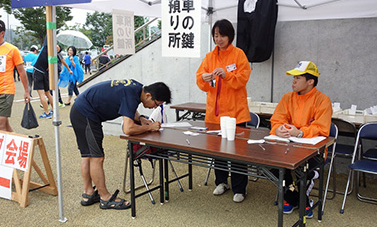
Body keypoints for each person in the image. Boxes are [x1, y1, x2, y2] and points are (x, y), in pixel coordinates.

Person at [70, 79, 171, 210]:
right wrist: (150, 127)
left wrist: (140, 119)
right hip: (86, 114)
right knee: (96, 157)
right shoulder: (132, 95)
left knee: (88, 156)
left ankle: (88, 193)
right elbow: (128, 129)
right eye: (156, 103)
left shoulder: (137, 88)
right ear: (148, 96)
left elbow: (129, 109)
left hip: (81, 110)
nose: (155, 107)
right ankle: (105, 198)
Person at [196, 19, 251, 203]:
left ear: (230, 36)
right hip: (215, 112)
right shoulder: (210, 57)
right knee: (217, 150)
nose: (218, 39)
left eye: (222, 36)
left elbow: (243, 79)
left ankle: (240, 188)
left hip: (236, 112)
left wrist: (227, 76)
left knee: (238, 152)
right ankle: (221, 181)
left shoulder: (239, 54)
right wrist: (204, 77)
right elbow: (200, 80)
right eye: (215, 35)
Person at [270, 61, 332, 218]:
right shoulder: (287, 98)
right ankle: (297, 199)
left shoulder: (322, 100)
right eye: (293, 78)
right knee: (272, 165)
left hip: (313, 151)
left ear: (310, 81)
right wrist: (278, 129)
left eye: (298, 78)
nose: (293, 81)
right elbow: (277, 119)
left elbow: (322, 129)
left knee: (301, 169)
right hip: (286, 147)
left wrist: (300, 133)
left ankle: (291, 198)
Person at [0, 19, 30, 131]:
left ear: (2, 33)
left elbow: (21, 72)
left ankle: (3, 148)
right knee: (5, 124)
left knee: (0, 125)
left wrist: (26, 91)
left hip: (5, 91)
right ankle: (15, 146)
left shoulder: (12, 50)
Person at [33, 37, 72, 119]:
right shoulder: (54, 54)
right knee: (47, 93)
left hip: (38, 71)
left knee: (42, 94)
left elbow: (48, 35)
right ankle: (54, 110)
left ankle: (47, 113)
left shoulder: (46, 48)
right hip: (45, 73)